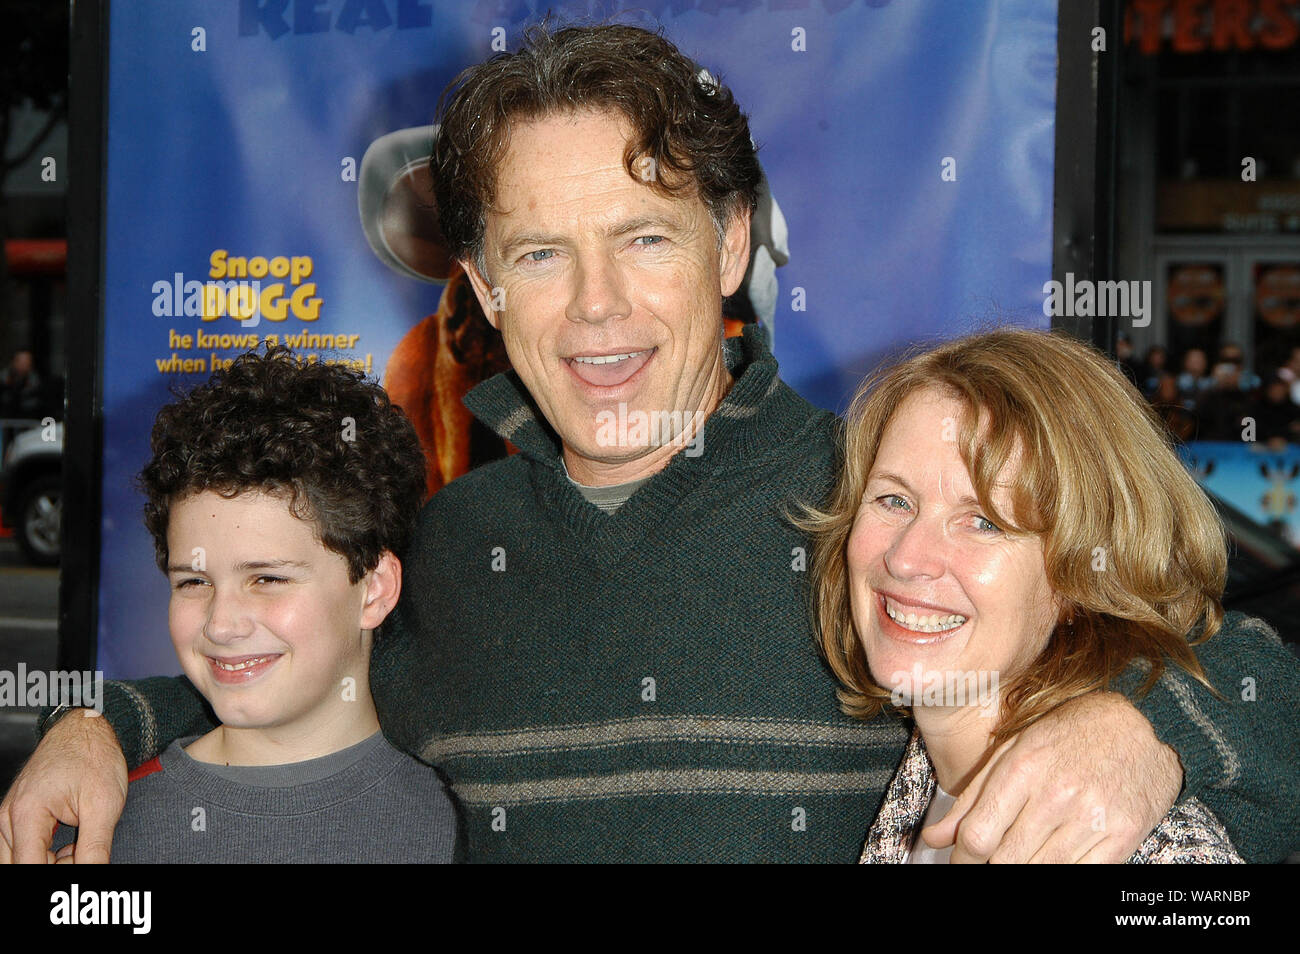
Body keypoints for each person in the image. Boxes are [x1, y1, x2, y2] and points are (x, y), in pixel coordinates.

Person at [4, 23, 1299, 864]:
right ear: (485, 288)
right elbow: (279, 677)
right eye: (541, 254)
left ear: (731, 247)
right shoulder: (455, 549)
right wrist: (97, 723)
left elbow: (1237, 666)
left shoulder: (877, 515)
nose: (599, 306)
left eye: (643, 236)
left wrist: (1145, 729)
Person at [800, 329, 1271, 863]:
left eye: (982, 521)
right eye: (893, 500)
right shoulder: (919, 780)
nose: (907, 558)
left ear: (1080, 580)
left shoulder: (1149, 848)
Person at [52, 348, 456, 862]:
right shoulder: (90, 830)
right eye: (194, 582)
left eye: (267, 578)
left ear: (373, 589)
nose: (221, 624)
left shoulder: (475, 827)